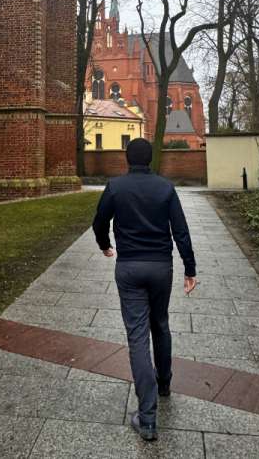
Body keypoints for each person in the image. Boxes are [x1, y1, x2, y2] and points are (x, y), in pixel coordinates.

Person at [92, 138, 196, 442]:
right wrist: (190, 268)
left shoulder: (115, 187)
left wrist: (105, 244)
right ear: (150, 159)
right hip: (161, 267)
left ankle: (147, 418)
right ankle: (164, 384)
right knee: (160, 325)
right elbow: (181, 230)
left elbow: (99, 222)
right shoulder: (166, 188)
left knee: (138, 336)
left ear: (127, 158)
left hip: (129, 268)